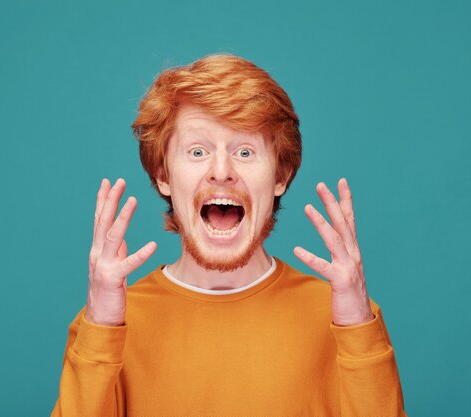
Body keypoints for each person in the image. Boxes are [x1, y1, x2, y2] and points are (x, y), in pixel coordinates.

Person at [51, 54, 406, 416]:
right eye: (198, 151)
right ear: (164, 177)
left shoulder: (344, 318)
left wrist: (358, 330)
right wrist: (100, 328)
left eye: (245, 151)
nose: (221, 171)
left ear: (280, 176)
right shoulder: (109, 323)